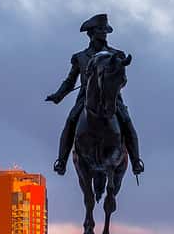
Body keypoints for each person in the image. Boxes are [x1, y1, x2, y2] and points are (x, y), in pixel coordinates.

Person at [46, 13, 144, 176]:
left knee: (127, 122)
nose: (104, 33)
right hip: (86, 98)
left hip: (112, 98)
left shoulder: (116, 55)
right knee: (71, 121)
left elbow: (123, 80)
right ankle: (61, 161)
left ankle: (136, 161)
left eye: (105, 30)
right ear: (91, 33)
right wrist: (58, 96)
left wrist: (114, 84)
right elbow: (70, 81)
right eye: (100, 30)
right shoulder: (80, 57)